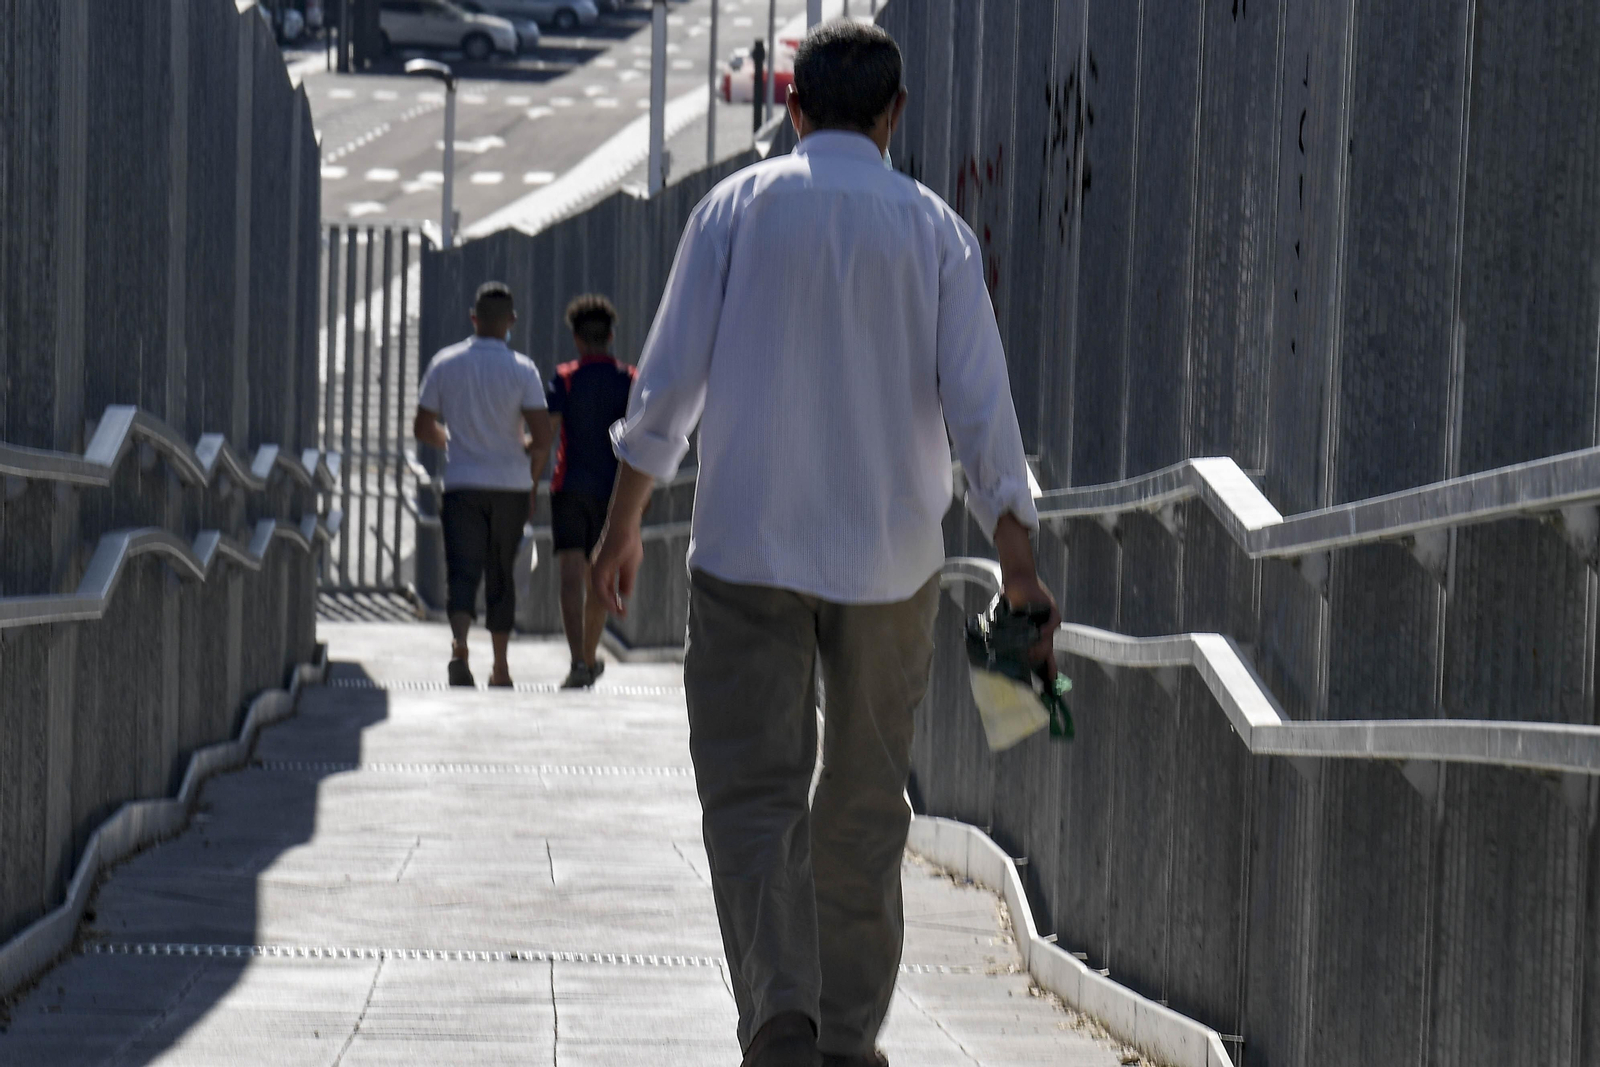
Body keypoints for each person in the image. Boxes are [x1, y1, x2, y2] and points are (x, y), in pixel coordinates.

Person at [589, 21, 1060, 1067]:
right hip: (893, 562)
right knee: (862, 801)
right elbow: (983, 415)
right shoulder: (937, 232)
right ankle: (843, 1040)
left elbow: (664, 391)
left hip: (747, 546)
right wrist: (1017, 563)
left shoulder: (735, 211)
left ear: (789, 104)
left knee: (752, 794)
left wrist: (622, 528)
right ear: (896, 114)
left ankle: (780, 1013)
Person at [414, 282, 553, 688]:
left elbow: (423, 426)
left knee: (461, 570)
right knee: (501, 574)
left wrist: (451, 439)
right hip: (509, 485)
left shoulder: (446, 362)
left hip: (461, 484)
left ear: (473, 318)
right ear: (511, 321)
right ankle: (501, 666)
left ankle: (459, 647)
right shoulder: (522, 369)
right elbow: (543, 437)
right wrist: (521, 445)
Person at [546, 294, 637, 689]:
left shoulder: (565, 378)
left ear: (578, 340)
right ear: (611, 336)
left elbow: (548, 432)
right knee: (603, 572)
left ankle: (577, 661)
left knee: (570, 572)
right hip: (614, 492)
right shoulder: (629, 378)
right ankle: (587, 654)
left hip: (569, 486)